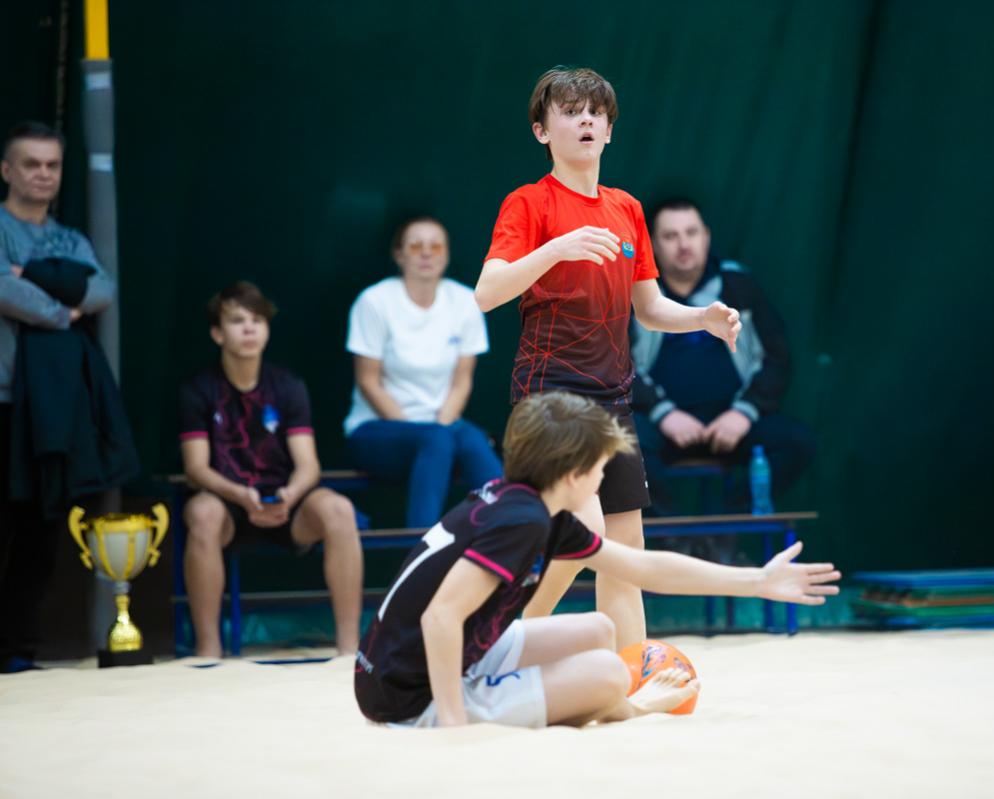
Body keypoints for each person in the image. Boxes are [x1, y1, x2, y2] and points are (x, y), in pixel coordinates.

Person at [354, 391, 840, 728]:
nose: (604, 479)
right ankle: (627, 709)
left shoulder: (531, 504)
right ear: (572, 474)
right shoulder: (521, 521)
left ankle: (587, 702)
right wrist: (454, 725)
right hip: (405, 696)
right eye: (600, 468)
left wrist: (757, 580)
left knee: (599, 631)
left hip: (426, 660)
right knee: (609, 676)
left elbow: (643, 568)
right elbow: (440, 617)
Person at [474, 67, 742, 651]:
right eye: (571, 112)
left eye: (596, 112)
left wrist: (701, 317)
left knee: (624, 551)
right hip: (550, 395)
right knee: (584, 529)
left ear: (610, 130)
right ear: (542, 130)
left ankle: (630, 671)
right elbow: (487, 292)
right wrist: (557, 248)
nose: (586, 121)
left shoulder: (627, 209)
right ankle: (500, 643)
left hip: (613, 398)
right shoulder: (528, 203)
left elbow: (649, 307)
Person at [179, 281, 363, 657]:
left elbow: (308, 464)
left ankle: (350, 649)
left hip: (284, 504)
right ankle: (208, 650)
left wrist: (291, 494)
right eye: (237, 321)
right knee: (201, 513)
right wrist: (238, 495)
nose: (249, 329)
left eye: (258, 320)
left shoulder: (288, 386)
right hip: (229, 505)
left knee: (339, 509)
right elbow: (195, 467)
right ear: (217, 333)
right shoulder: (198, 389)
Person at [0, 121, 116, 673]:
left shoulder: (71, 239)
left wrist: (33, 277)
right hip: (4, 398)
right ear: (7, 170)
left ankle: (17, 649)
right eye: (31, 164)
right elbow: (4, 289)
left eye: (52, 165)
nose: (43, 174)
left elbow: (102, 289)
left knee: (40, 527)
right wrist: (60, 309)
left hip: (52, 407)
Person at [631, 197, 816, 515]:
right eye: (671, 236)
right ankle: (674, 535)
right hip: (662, 425)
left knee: (797, 442)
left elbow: (776, 358)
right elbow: (618, 365)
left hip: (732, 424)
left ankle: (726, 527)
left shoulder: (738, 285)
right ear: (653, 246)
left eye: (691, 233)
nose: (684, 245)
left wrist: (744, 412)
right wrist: (663, 413)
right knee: (618, 443)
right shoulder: (638, 293)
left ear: (706, 237)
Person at [344, 217, 501, 528]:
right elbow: (367, 382)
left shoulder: (465, 302)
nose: (426, 253)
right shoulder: (374, 301)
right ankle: (420, 547)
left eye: (435, 246)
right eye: (416, 246)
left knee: (474, 442)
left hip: (444, 425)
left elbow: (462, 381)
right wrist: (425, 433)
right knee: (437, 441)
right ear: (399, 254)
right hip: (379, 430)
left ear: (447, 254)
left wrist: (441, 427)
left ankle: (517, 538)